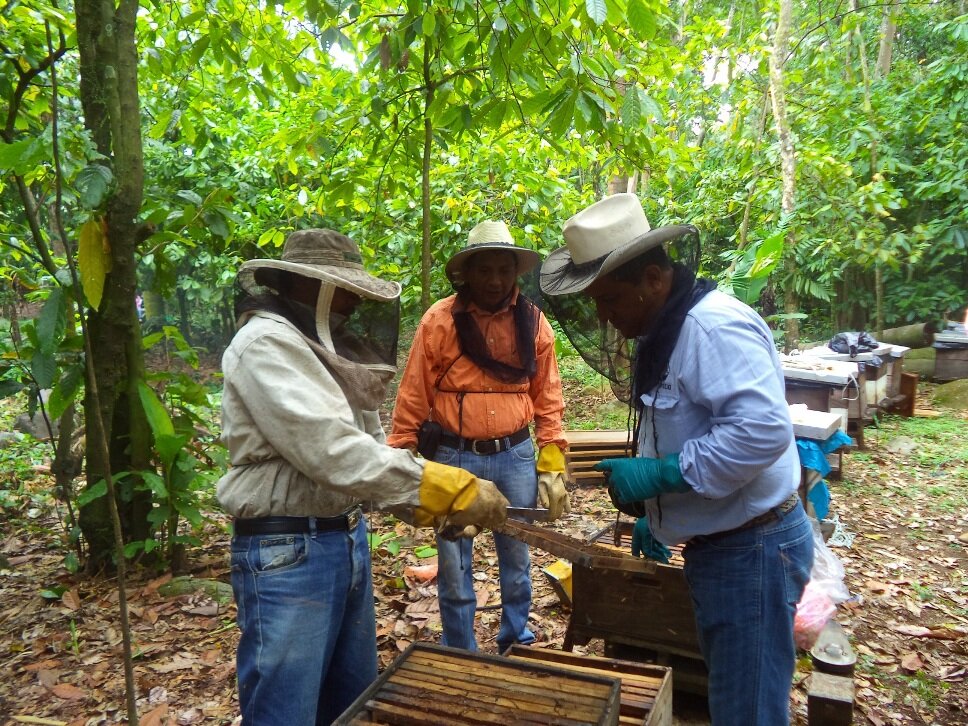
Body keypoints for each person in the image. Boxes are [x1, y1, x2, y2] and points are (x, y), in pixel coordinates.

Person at [540, 194, 814, 726]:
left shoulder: (713, 329)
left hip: (752, 551)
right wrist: (657, 513)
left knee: (747, 711)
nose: (602, 313)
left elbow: (761, 433)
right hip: (724, 548)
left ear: (651, 280)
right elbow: (678, 421)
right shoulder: (666, 327)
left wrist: (663, 475)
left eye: (608, 297)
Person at [217, 228, 509, 725]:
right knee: (285, 711)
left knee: (350, 704)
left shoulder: (329, 347)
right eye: (343, 287)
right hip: (288, 552)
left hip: (344, 539)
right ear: (305, 285)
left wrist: (422, 505)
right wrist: (444, 485)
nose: (352, 300)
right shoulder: (265, 344)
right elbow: (331, 452)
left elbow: (368, 451)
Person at [388, 219, 570, 653]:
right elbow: (414, 391)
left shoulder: (533, 322)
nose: (494, 280)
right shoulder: (440, 320)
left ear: (515, 272)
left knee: (517, 553)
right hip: (454, 454)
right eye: (484, 270)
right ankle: (460, 649)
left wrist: (552, 456)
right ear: (466, 273)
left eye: (503, 270)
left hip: (515, 453)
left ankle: (517, 638)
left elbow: (547, 392)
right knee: (454, 562)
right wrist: (401, 457)